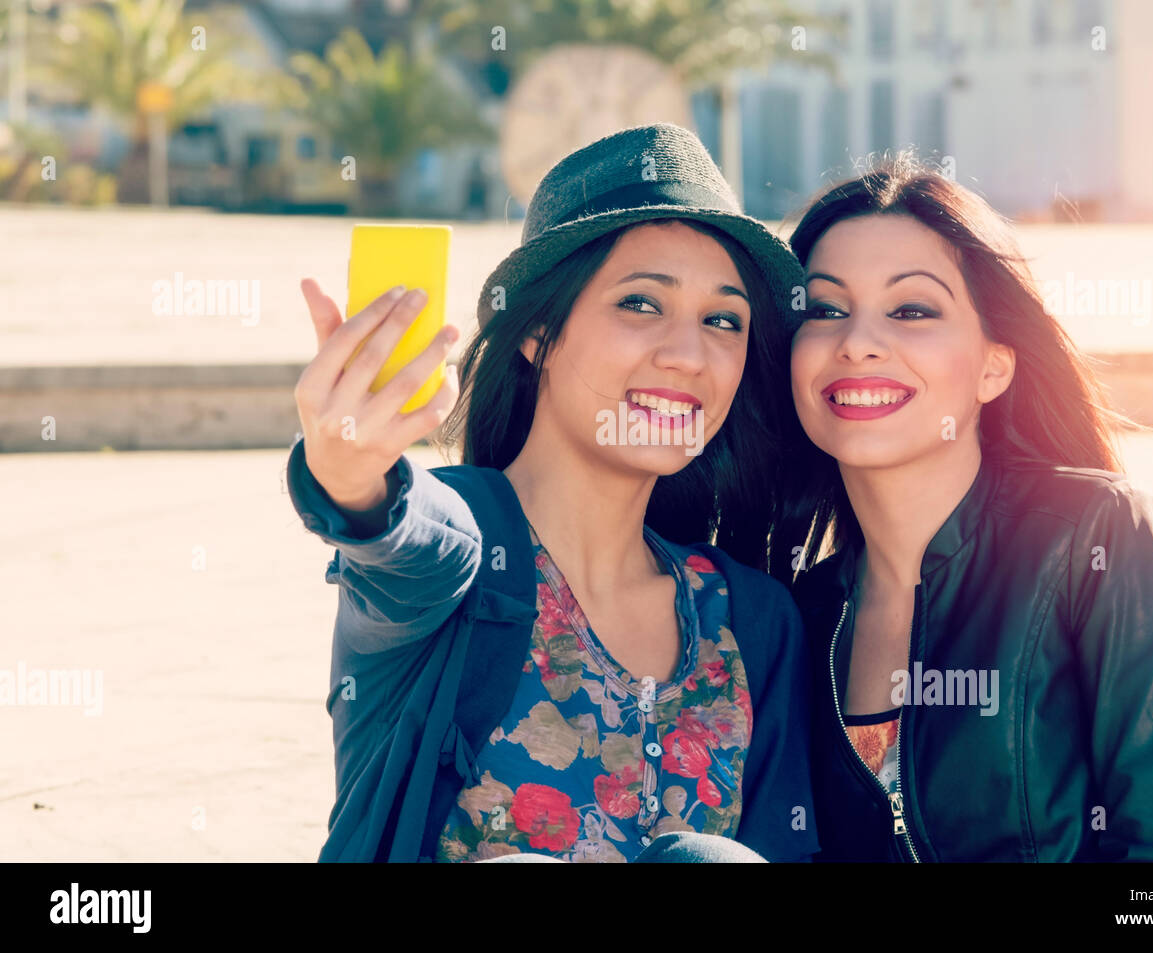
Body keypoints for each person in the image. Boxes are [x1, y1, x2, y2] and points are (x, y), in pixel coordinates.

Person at [286, 123, 819, 862]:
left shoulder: (750, 620)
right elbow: (402, 537)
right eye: (641, 303)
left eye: (723, 320)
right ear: (538, 328)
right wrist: (347, 474)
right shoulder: (464, 552)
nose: (689, 354)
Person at [774, 153, 1153, 862]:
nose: (858, 343)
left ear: (994, 365)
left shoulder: (1099, 539)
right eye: (827, 309)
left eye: (912, 310)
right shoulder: (796, 615)